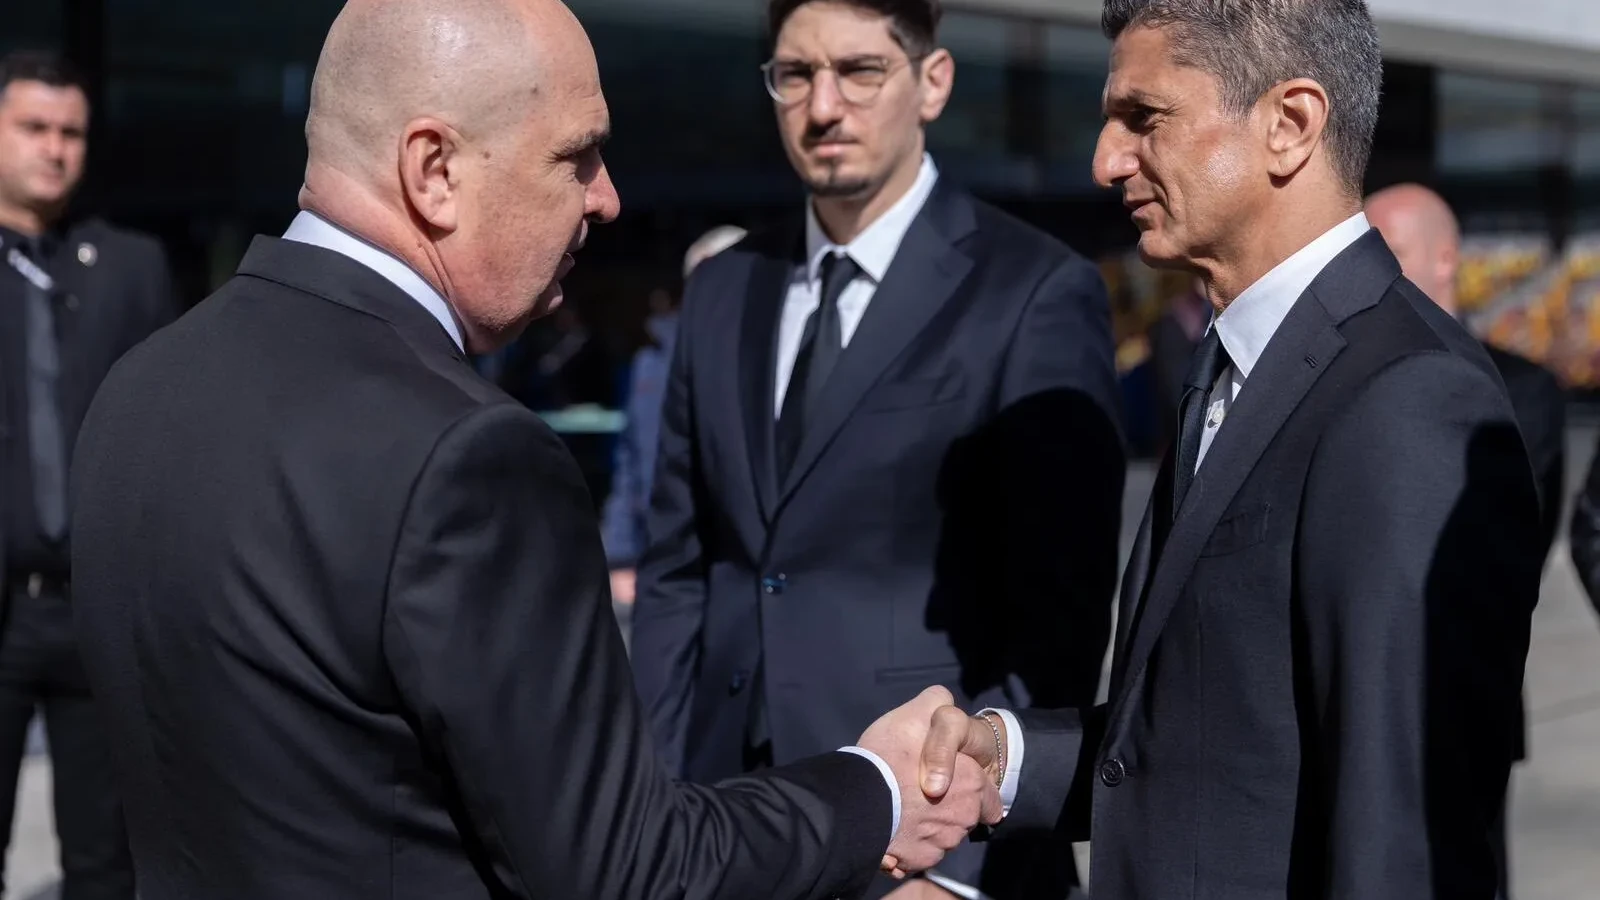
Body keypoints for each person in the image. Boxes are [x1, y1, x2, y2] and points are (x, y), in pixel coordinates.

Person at [66, 2, 1001, 898]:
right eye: (576, 155)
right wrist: (875, 790)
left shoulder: (140, 385)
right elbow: (628, 874)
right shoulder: (469, 454)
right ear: (433, 168)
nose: (608, 197)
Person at [909, 1, 1545, 897]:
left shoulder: (1406, 398)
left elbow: (1398, 833)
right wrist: (1006, 757)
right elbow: (1211, 740)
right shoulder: (1235, 363)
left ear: (1290, 124)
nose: (1106, 161)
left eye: (1145, 118)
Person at [628, 1, 1125, 897]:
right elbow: (680, 571)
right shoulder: (723, 290)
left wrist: (958, 866)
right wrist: (653, 812)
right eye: (795, 75)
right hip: (721, 819)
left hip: (922, 835)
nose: (823, 107)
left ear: (933, 83)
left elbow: (1060, 618)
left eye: (860, 71)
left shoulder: (1032, 289)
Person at [0, 50, 181, 900]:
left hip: (94, 611)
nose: (55, 148)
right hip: (4, 609)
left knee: (107, 866)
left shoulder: (130, 266)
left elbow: (167, 432)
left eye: (71, 132)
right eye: (33, 127)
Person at [1365, 182, 1565, 900]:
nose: (1371, 266)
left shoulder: (1522, 387)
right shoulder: (1337, 374)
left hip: (1461, 693)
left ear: (1445, 259)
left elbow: (1506, 543)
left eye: (1389, 248)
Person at [603, 225, 747, 611]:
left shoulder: (771, 361)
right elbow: (630, 460)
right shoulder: (653, 362)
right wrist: (621, 554)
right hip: (662, 557)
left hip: (739, 563)